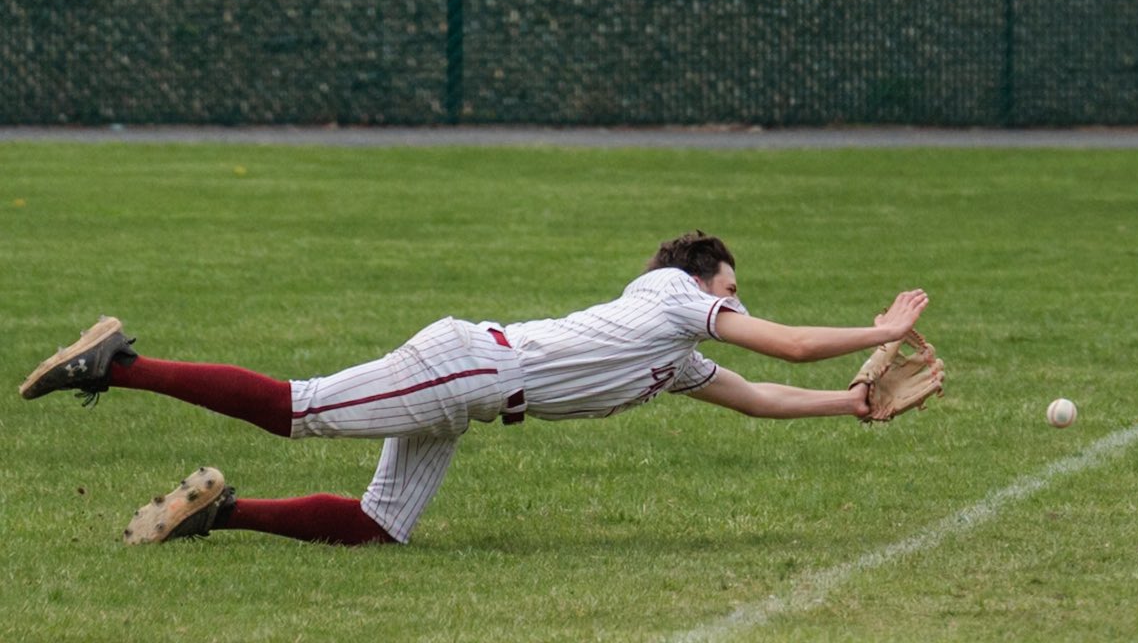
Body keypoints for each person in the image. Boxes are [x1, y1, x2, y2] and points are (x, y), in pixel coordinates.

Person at [19, 231, 932, 546]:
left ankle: (217, 514)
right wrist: (885, 330)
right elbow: (795, 345)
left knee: (381, 528)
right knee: (295, 408)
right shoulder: (666, 296)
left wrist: (850, 404)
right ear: (695, 281)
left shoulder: (675, 354)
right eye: (729, 287)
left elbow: (763, 393)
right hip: (468, 366)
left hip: (474, 392)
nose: (736, 301)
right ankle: (118, 363)